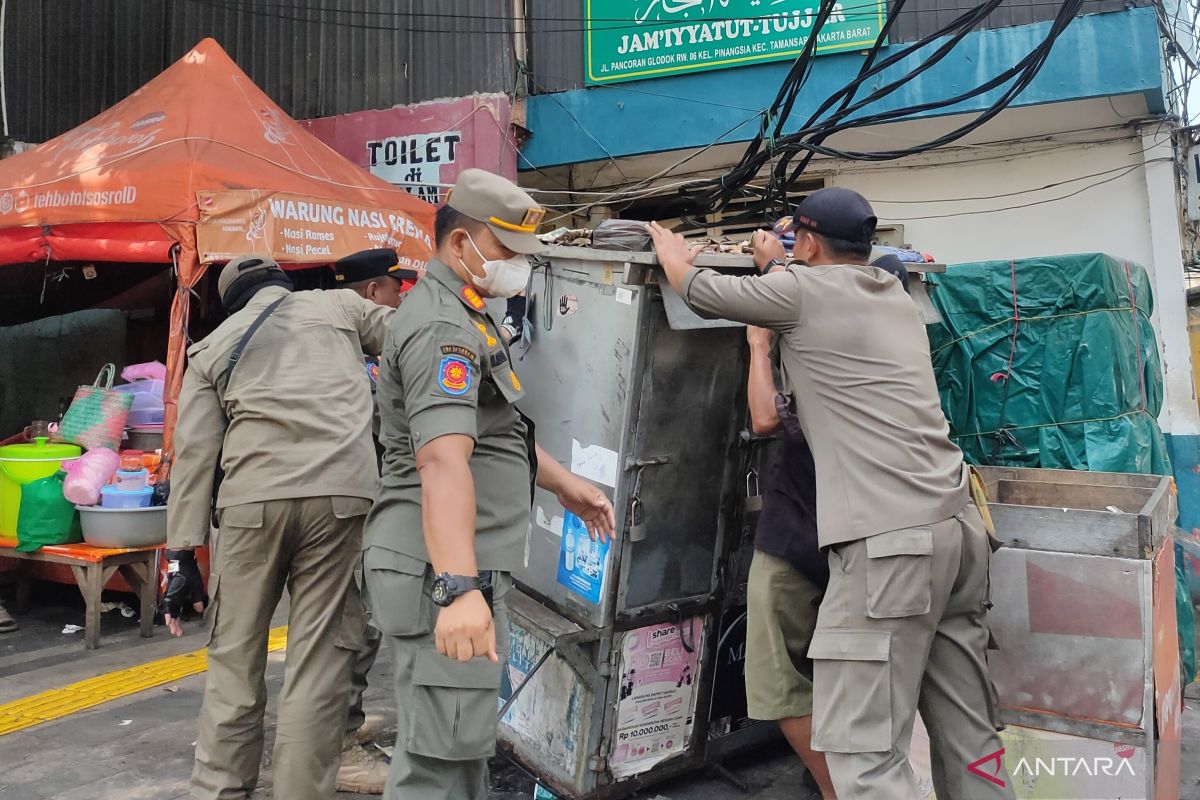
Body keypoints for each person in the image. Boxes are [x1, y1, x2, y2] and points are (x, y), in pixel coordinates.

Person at [649, 187, 1013, 800]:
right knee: (969, 734)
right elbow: (812, 295)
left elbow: (698, 288)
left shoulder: (798, 291)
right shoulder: (893, 295)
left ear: (809, 242)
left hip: (890, 552)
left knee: (863, 753)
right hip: (959, 532)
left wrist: (671, 247)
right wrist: (781, 264)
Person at [362, 168, 616, 800]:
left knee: (462, 752)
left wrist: (563, 485)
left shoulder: (467, 313)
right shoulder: (441, 328)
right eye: (507, 252)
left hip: (458, 563)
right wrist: (457, 590)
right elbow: (442, 461)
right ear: (458, 245)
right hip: (438, 570)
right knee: (438, 768)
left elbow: (497, 430)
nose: (518, 268)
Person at [166, 254, 394, 800]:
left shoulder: (212, 347)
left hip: (250, 510)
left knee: (234, 662)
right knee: (317, 664)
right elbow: (414, 337)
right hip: (340, 501)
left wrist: (181, 557)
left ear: (232, 302)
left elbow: (194, 458)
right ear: (283, 284)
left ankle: (218, 790)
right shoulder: (341, 306)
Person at [743, 236, 912, 800]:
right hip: (873, 546)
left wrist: (758, 343)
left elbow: (765, 417)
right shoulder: (905, 364)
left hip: (798, 541)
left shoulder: (829, 363)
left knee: (782, 683)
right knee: (853, 683)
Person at [332, 247, 419, 794]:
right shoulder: (354, 355)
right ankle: (337, 748)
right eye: (394, 293)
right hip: (351, 508)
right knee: (352, 624)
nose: (398, 302)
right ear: (371, 295)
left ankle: (341, 725)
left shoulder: (344, 346)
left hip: (343, 502)